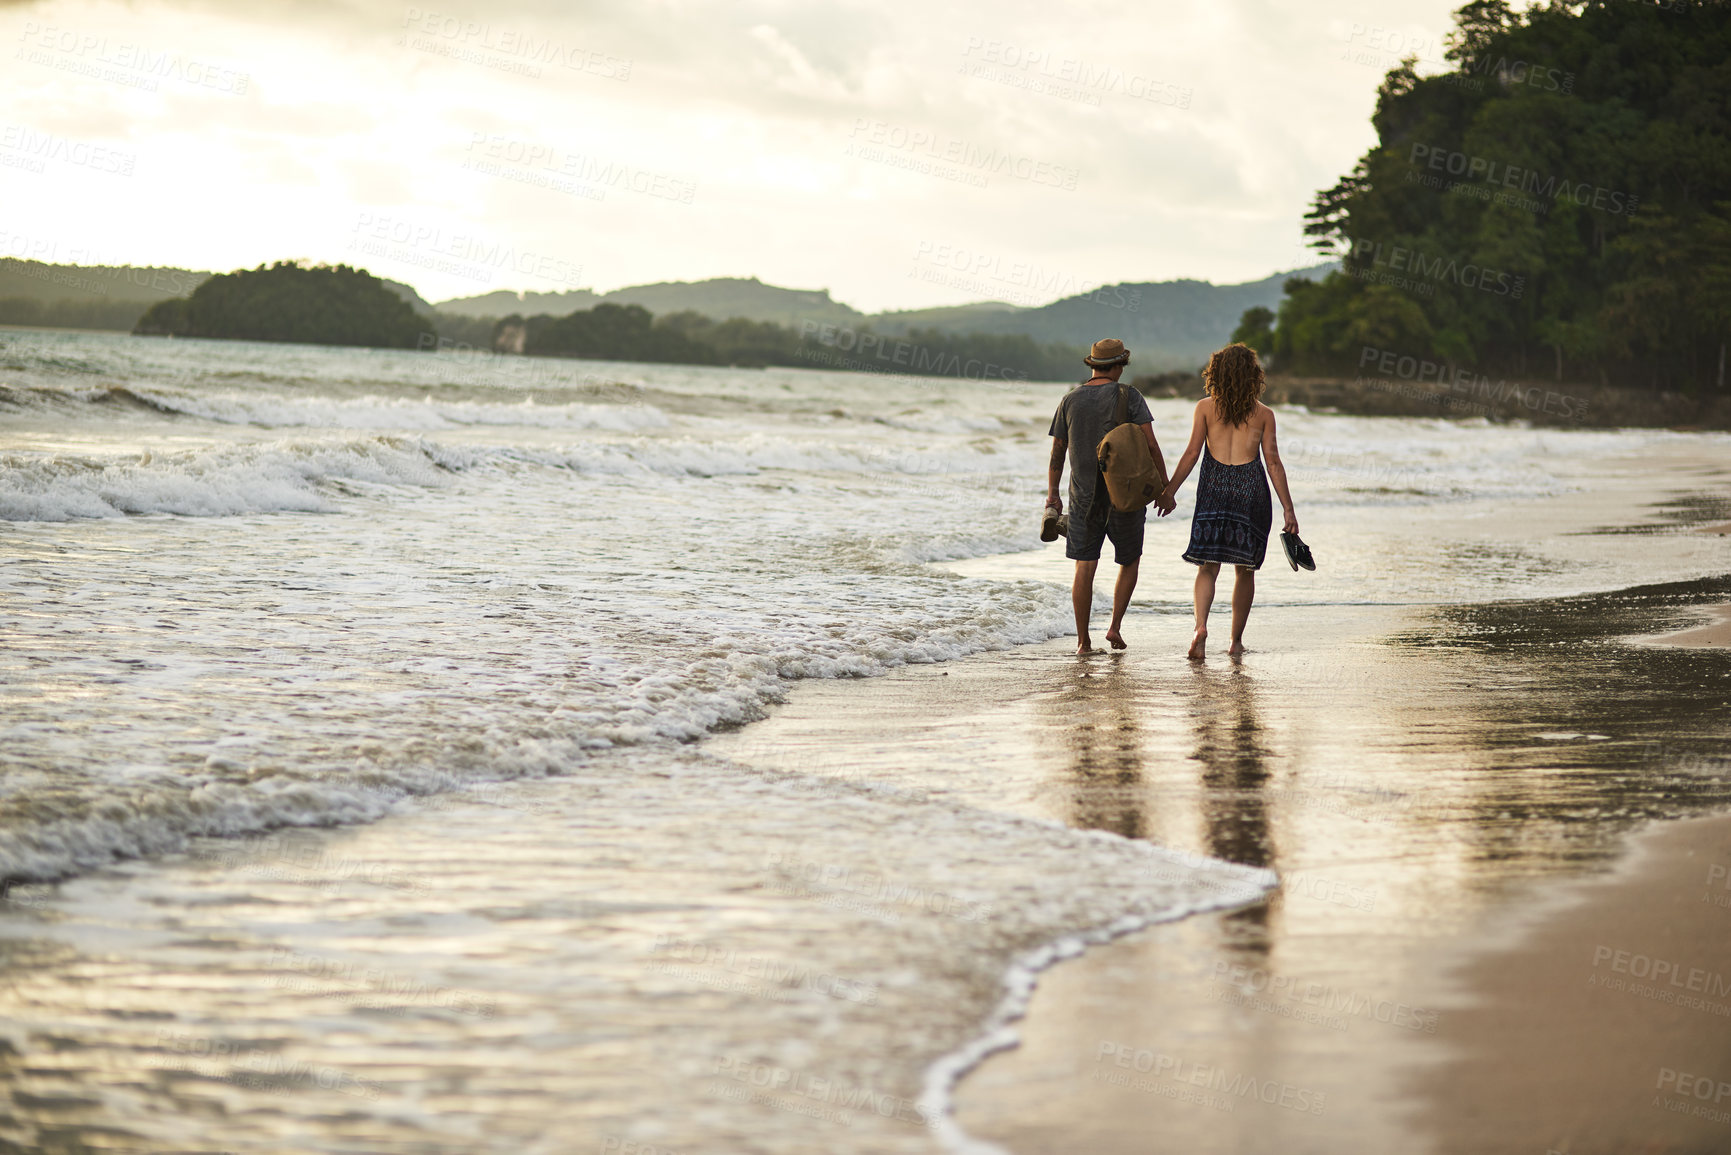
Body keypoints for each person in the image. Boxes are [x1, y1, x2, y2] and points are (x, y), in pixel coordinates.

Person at [1159, 342, 1297, 660]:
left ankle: (1201, 628)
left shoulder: (1205, 408)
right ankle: (1235, 641)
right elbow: (1273, 462)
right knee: (1244, 570)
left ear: (1216, 374)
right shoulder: (1264, 415)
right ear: (1253, 376)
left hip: (1214, 489)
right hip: (1250, 492)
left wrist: (1170, 491)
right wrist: (1288, 508)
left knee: (1208, 567)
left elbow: (1192, 453)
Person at [1046, 338, 1175, 654]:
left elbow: (1057, 453)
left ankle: (1082, 642)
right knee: (1129, 559)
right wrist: (1165, 488)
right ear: (1119, 366)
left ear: (1092, 365)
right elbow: (1152, 444)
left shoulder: (1069, 400)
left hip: (1082, 498)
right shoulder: (1129, 396)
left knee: (1084, 565)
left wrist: (1053, 496)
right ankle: (1114, 626)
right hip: (1125, 495)